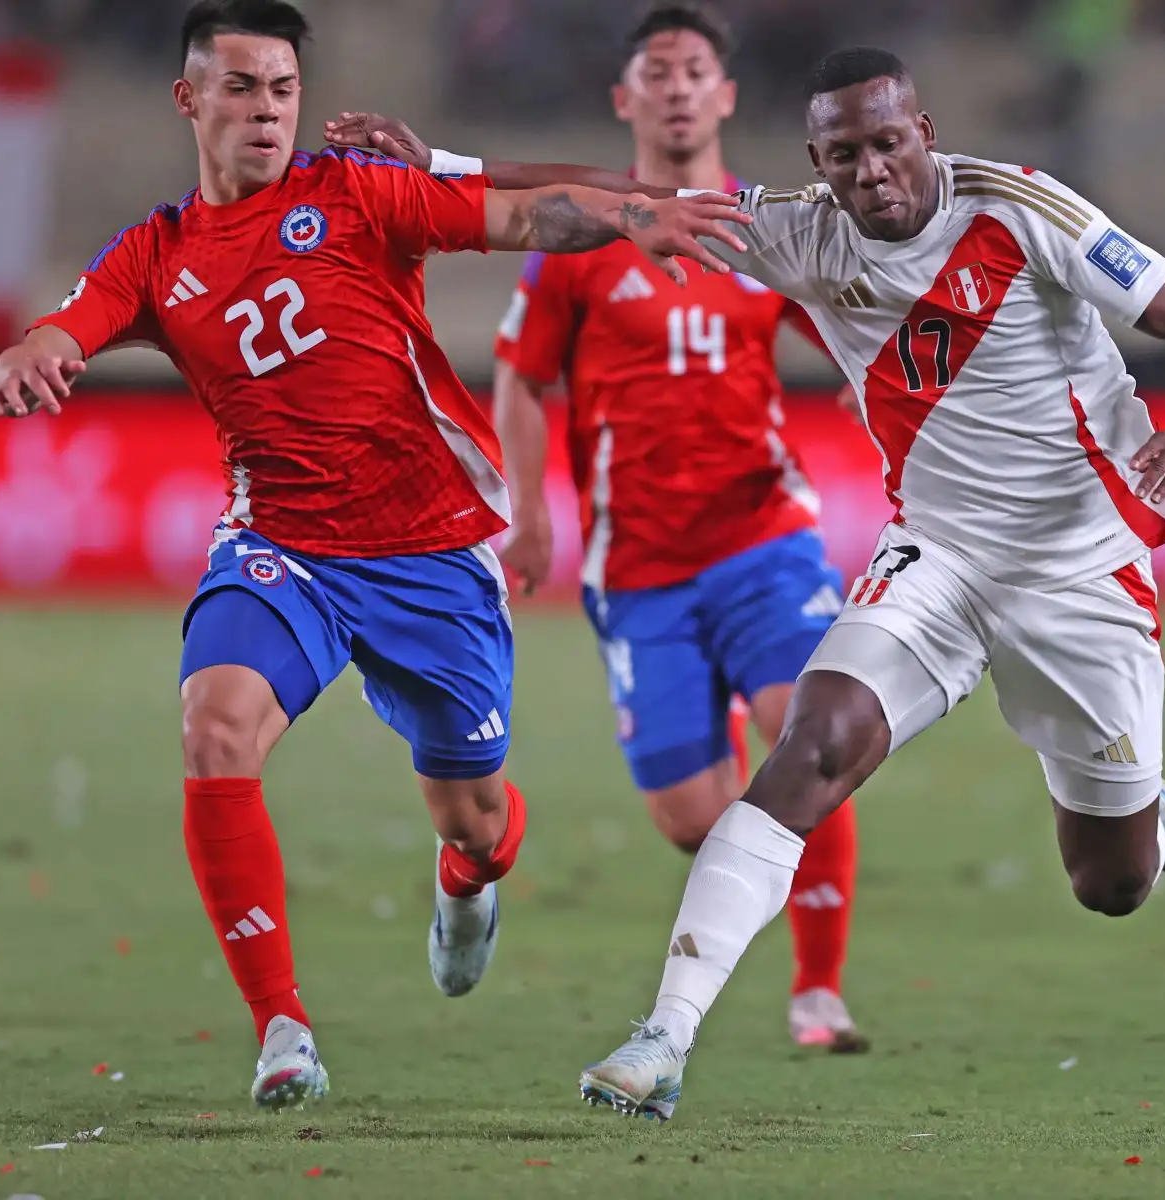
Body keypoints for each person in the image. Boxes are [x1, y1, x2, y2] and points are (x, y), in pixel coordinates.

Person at [378, 44, 1165, 1121]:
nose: (872, 171)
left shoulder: (1021, 208)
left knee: (1110, 886)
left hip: (1078, 568)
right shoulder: (793, 229)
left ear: (924, 132)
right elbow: (631, 199)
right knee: (812, 744)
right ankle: (664, 1037)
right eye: (845, 154)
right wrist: (443, 163)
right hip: (939, 558)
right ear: (815, 161)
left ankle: (1140, 806)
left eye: (888, 143)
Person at [0, 0, 746, 1112]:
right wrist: (30, 355)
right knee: (215, 727)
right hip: (280, 542)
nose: (266, 111)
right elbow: (70, 323)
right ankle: (281, 1025)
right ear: (190, 99)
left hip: (432, 553)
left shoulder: (352, 192)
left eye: (282, 90)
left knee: (474, 818)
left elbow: (527, 217)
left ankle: (468, 878)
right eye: (241, 87)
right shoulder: (155, 253)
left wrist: (629, 218)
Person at [328, 2, 870, 1052]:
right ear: (626, 99)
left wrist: (872, 387)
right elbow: (523, 380)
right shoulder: (582, 235)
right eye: (656, 70)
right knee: (689, 818)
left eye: (695, 68)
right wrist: (529, 514)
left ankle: (818, 990)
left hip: (764, 538)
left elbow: (849, 326)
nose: (676, 85)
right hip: (641, 570)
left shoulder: (759, 232)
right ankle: (749, 879)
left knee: (810, 732)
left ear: (726, 96)